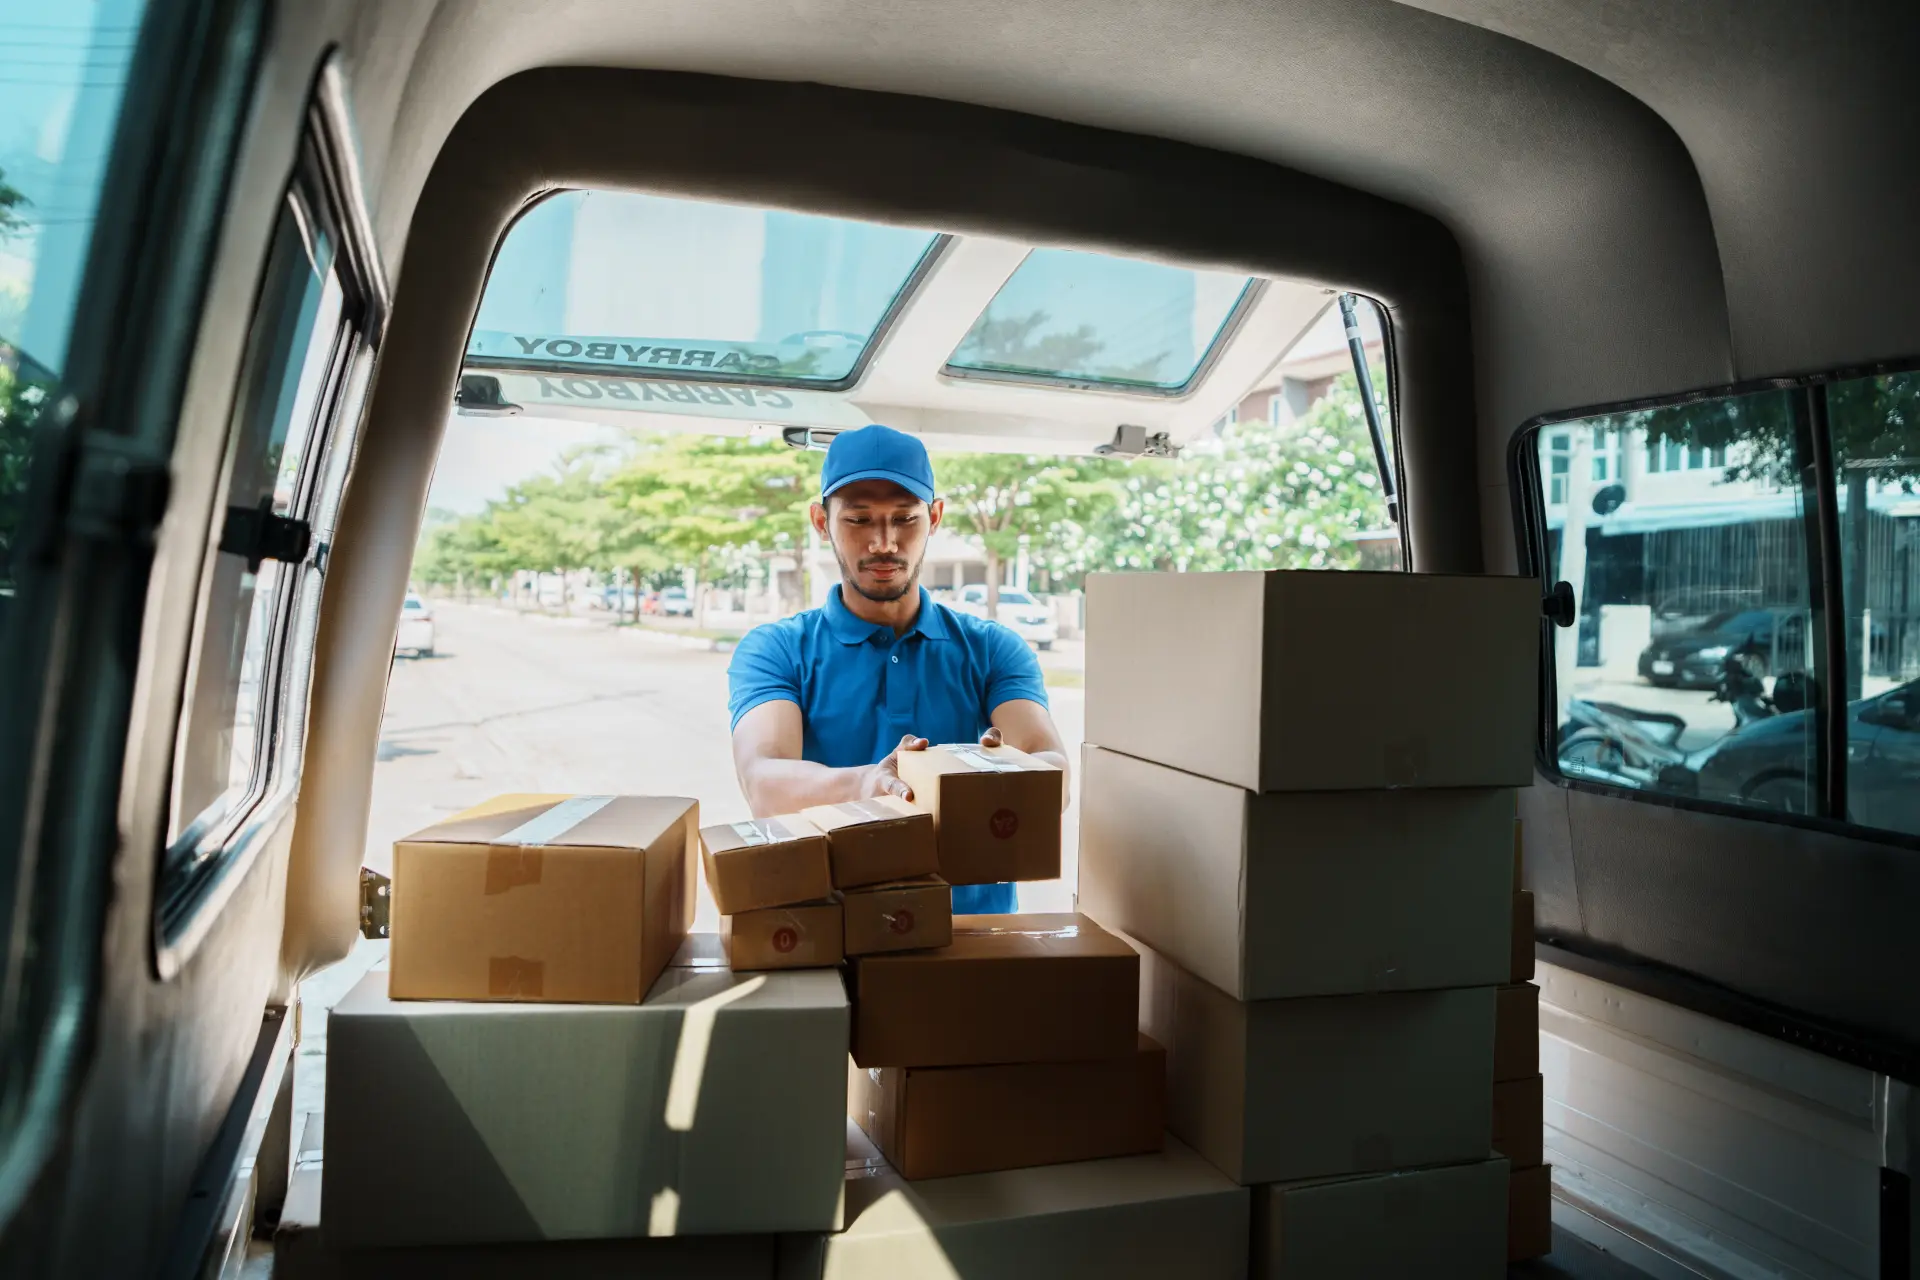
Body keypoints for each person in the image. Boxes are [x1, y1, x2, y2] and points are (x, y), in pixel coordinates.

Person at [727, 423, 1070, 915]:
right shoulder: (777, 649)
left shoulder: (992, 648)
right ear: (821, 522)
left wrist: (1007, 773)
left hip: (972, 938)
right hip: (832, 936)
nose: (884, 543)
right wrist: (871, 785)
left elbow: (1053, 772)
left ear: (934, 517)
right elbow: (764, 782)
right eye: (859, 520)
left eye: (905, 519)